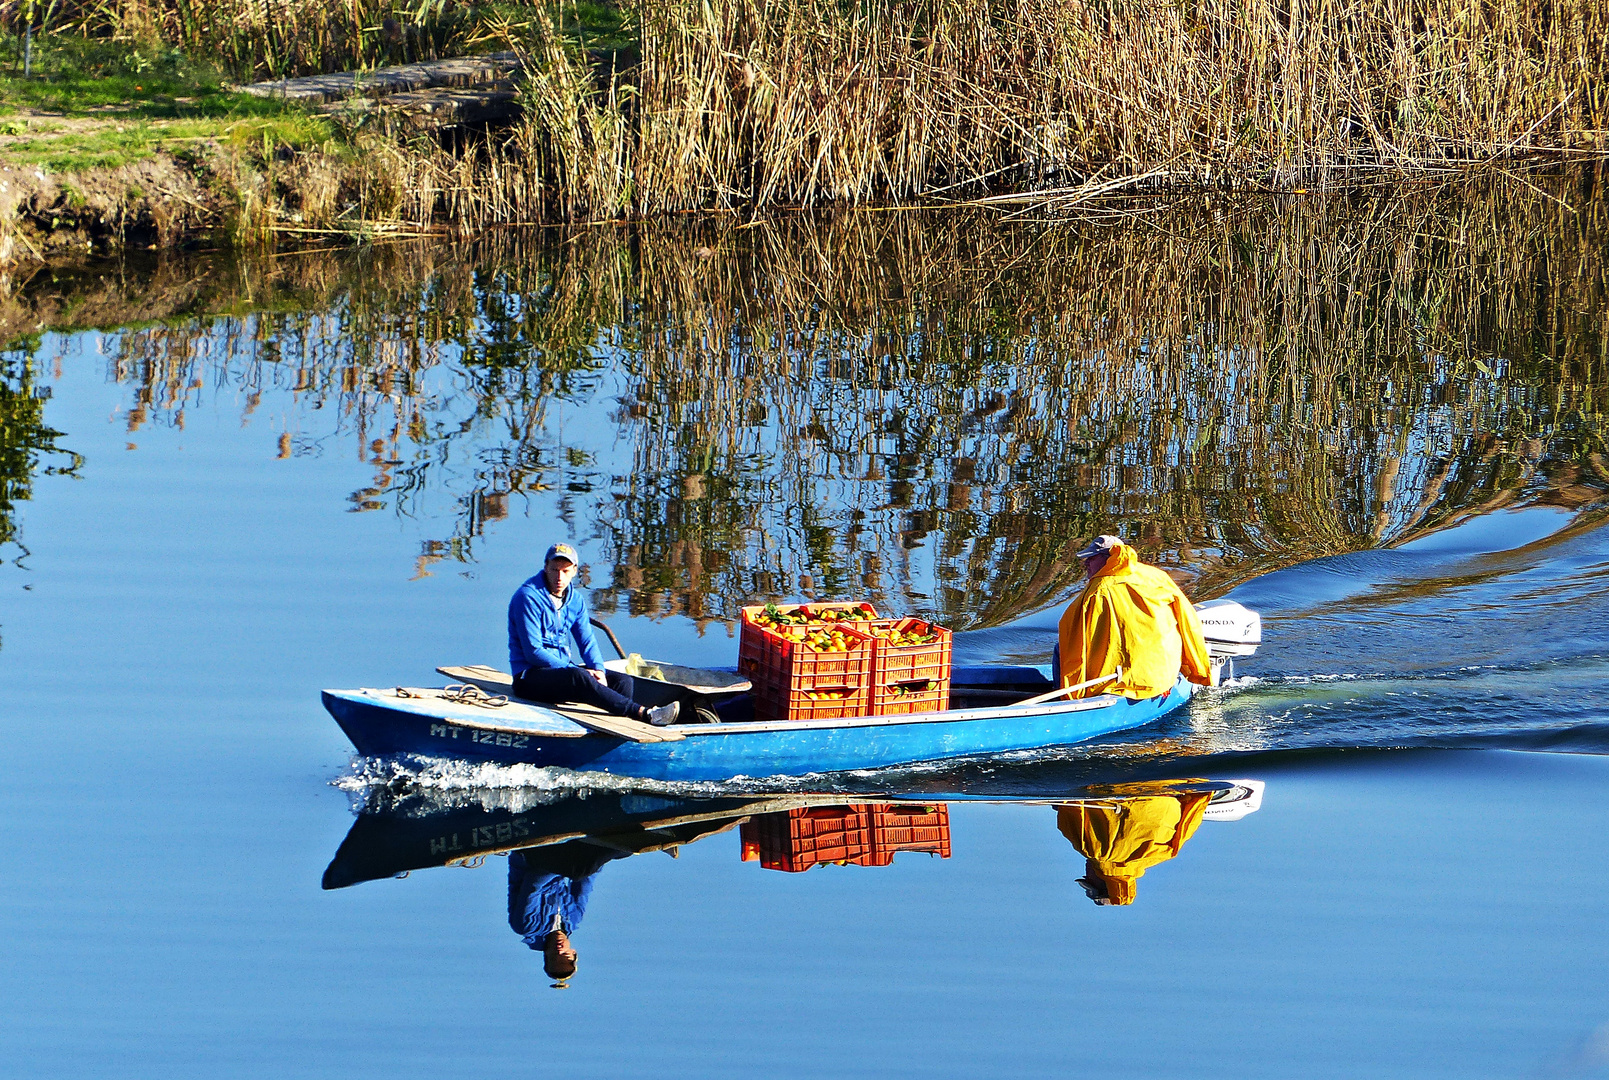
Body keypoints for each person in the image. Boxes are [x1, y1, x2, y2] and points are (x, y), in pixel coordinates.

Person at [508, 543, 680, 726]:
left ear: (574, 571)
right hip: (529, 677)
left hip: (562, 673)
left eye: (565, 571)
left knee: (623, 681)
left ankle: (617, 729)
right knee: (579, 676)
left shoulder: (575, 600)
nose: (559, 577)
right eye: (554, 570)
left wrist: (598, 670)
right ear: (545, 567)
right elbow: (533, 652)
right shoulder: (527, 597)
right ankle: (645, 714)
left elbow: (587, 642)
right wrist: (575, 670)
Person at [1055, 534, 1214, 700]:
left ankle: (1061, 700)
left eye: (1091, 558)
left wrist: (1072, 696)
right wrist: (1198, 669)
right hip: (1164, 673)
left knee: (1061, 648)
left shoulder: (1097, 591)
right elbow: (1189, 621)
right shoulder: (1156, 576)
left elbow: (1073, 640)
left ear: (1108, 559)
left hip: (1127, 680)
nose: (1086, 563)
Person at [1055, 783, 1214, 906]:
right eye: (1088, 879)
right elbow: (1069, 799)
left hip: (1165, 782)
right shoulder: (1091, 849)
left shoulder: (1167, 852)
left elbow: (1196, 804)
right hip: (1113, 780)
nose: (1085, 872)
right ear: (1100, 880)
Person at [507, 842, 625, 986]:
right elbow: (585, 885)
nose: (559, 951)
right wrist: (595, 863)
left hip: (531, 858)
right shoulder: (573, 919)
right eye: (565, 956)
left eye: (554, 958)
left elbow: (533, 885)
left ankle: (613, 845)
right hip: (562, 859)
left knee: (580, 869)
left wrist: (568, 869)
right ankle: (619, 842)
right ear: (573, 952)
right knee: (621, 853)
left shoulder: (526, 927)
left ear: (546, 955)